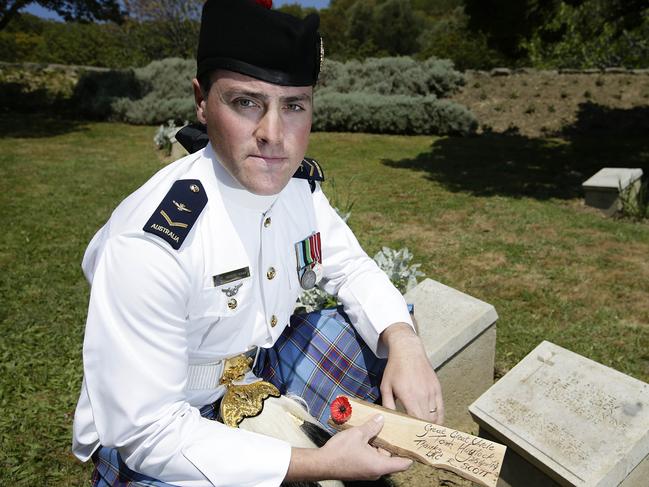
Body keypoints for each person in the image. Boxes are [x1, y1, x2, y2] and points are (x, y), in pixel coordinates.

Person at [72, 0, 444, 485]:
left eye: (293, 106)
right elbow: (147, 433)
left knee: (373, 333)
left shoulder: (297, 191)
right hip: (167, 411)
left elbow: (351, 267)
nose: (273, 135)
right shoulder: (153, 242)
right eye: (246, 102)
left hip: (251, 367)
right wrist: (318, 466)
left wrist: (406, 344)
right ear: (202, 102)